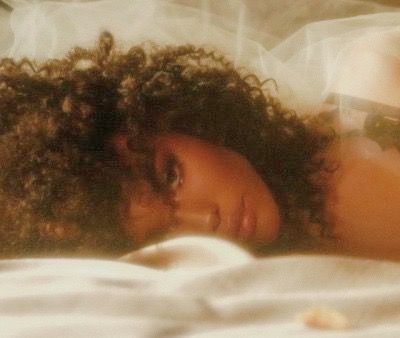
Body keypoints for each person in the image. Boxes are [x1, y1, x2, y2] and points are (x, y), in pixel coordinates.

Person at [0, 32, 399, 259]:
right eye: (164, 237)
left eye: (171, 176)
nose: (205, 223)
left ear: (178, 119)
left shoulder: (375, 86)